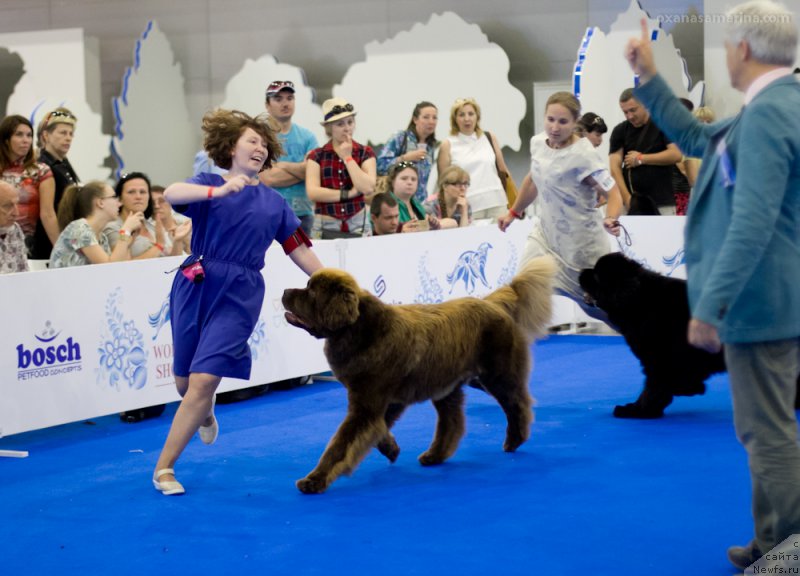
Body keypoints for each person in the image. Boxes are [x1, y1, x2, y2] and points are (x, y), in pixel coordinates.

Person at [624, 2, 800, 569]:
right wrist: (649, 80)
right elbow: (697, 140)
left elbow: (752, 220)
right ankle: (772, 539)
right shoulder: (771, 108)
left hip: (759, 302)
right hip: (769, 299)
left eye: (727, 45)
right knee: (763, 431)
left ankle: (790, 550)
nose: (726, 53)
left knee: (767, 434)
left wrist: (712, 303)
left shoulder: (772, 114)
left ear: (743, 49)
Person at [153, 109, 323, 496]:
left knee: (205, 378)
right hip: (194, 282)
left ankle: (164, 468)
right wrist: (217, 191)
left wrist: (328, 281)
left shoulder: (274, 203)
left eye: (265, 145)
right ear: (230, 147)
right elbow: (172, 194)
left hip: (241, 292)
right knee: (185, 383)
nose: (260, 148)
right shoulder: (207, 184)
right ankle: (204, 409)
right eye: (252, 141)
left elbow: (298, 247)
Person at [497, 92, 623, 321]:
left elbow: (613, 193)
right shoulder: (537, 143)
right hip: (546, 235)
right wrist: (513, 212)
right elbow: (533, 178)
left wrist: (611, 218)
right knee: (522, 288)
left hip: (581, 247)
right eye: (550, 119)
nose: (555, 127)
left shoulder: (584, 155)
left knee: (606, 313)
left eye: (563, 122)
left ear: (575, 123)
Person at [306, 98, 376, 238]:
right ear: (329, 128)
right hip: (325, 223)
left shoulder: (365, 152)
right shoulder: (317, 156)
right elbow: (313, 192)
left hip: (358, 222)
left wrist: (348, 158)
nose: (347, 128)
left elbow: (368, 188)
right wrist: (348, 194)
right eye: (340, 124)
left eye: (350, 122)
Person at [259, 80, 319, 235]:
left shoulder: (308, 137)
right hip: (269, 214)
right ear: (267, 105)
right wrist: (302, 169)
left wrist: (281, 165)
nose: (285, 103)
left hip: (303, 215)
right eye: (278, 99)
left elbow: (313, 173)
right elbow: (268, 178)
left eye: (289, 98)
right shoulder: (260, 137)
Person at [609, 89, 682, 215]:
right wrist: (627, 199)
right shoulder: (620, 131)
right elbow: (614, 168)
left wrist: (642, 158)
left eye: (633, 110)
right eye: (625, 112)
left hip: (662, 202)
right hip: (632, 203)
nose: (629, 116)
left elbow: (676, 154)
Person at [437, 98, 510, 220]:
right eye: (461, 114)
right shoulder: (448, 144)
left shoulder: (489, 137)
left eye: (471, 114)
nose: (467, 119)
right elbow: (443, 183)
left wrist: (516, 199)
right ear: (455, 119)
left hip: (497, 201)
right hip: (468, 206)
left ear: (477, 117)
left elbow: (503, 170)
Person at [49, 181, 143, 268]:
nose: (119, 203)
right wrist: (125, 231)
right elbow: (108, 268)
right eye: (114, 197)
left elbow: (118, 266)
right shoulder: (79, 228)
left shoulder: (102, 237)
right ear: (100, 202)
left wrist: (129, 240)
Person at [0, 115, 54, 256]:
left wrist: (61, 250)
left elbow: (48, 215)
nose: (26, 140)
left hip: (28, 244)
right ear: (6, 140)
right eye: (19, 135)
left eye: (29, 135)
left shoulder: (41, 171)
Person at [104, 172, 189, 259]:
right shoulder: (113, 227)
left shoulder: (152, 226)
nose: (138, 196)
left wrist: (178, 241)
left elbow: (171, 263)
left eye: (143, 192)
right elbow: (120, 265)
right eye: (131, 192)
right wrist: (159, 245)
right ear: (120, 199)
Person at [34, 107, 81, 259]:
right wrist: (62, 251)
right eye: (62, 133)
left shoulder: (64, 165)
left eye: (71, 134)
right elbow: (47, 214)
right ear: (46, 135)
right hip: (49, 245)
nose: (68, 138)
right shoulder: (44, 167)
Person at [376, 101, 438, 202]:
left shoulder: (431, 146)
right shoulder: (400, 138)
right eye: (426, 117)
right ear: (415, 119)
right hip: (396, 202)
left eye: (434, 118)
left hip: (420, 204)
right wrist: (404, 158)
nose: (431, 121)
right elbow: (379, 166)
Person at [387, 161, 440, 233]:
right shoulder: (384, 203)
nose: (409, 182)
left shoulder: (417, 205)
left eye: (413, 179)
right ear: (392, 182)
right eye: (404, 178)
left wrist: (433, 225)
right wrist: (400, 231)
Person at [150, 185, 191, 255]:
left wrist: (187, 243)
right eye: (152, 203)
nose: (156, 206)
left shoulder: (186, 223)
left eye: (161, 201)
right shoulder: (148, 232)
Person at [0, 180, 26, 273]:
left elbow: (23, 271)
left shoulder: (15, 229)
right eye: (8, 206)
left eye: (16, 204)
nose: (16, 213)